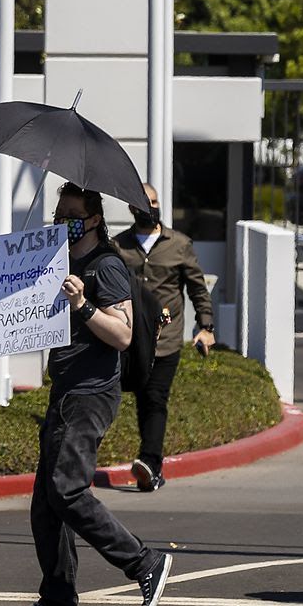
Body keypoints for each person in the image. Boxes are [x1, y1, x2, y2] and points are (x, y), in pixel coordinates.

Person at [32, 183, 173, 606]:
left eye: (72, 216)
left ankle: (144, 562)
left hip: (91, 393)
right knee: (47, 505)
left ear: (94, 220)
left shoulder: (105, 266)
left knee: (67, 490)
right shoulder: (60, 261)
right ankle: (58, 595)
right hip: (65, 390)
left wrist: (83, 305)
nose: (63, 222)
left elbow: (123, 334)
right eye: (59, 215)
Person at [110, 182, 215, 493]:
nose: (150, 208)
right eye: (144, 203)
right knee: (136, 399)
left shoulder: (179, 244)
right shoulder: (118, 246)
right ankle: (149, 466)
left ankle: (149, 462)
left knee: (155, 399)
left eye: (154, 202)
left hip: (166, 341)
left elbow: (197, 289)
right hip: (130, 340)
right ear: (132, 208)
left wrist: (206, 327)